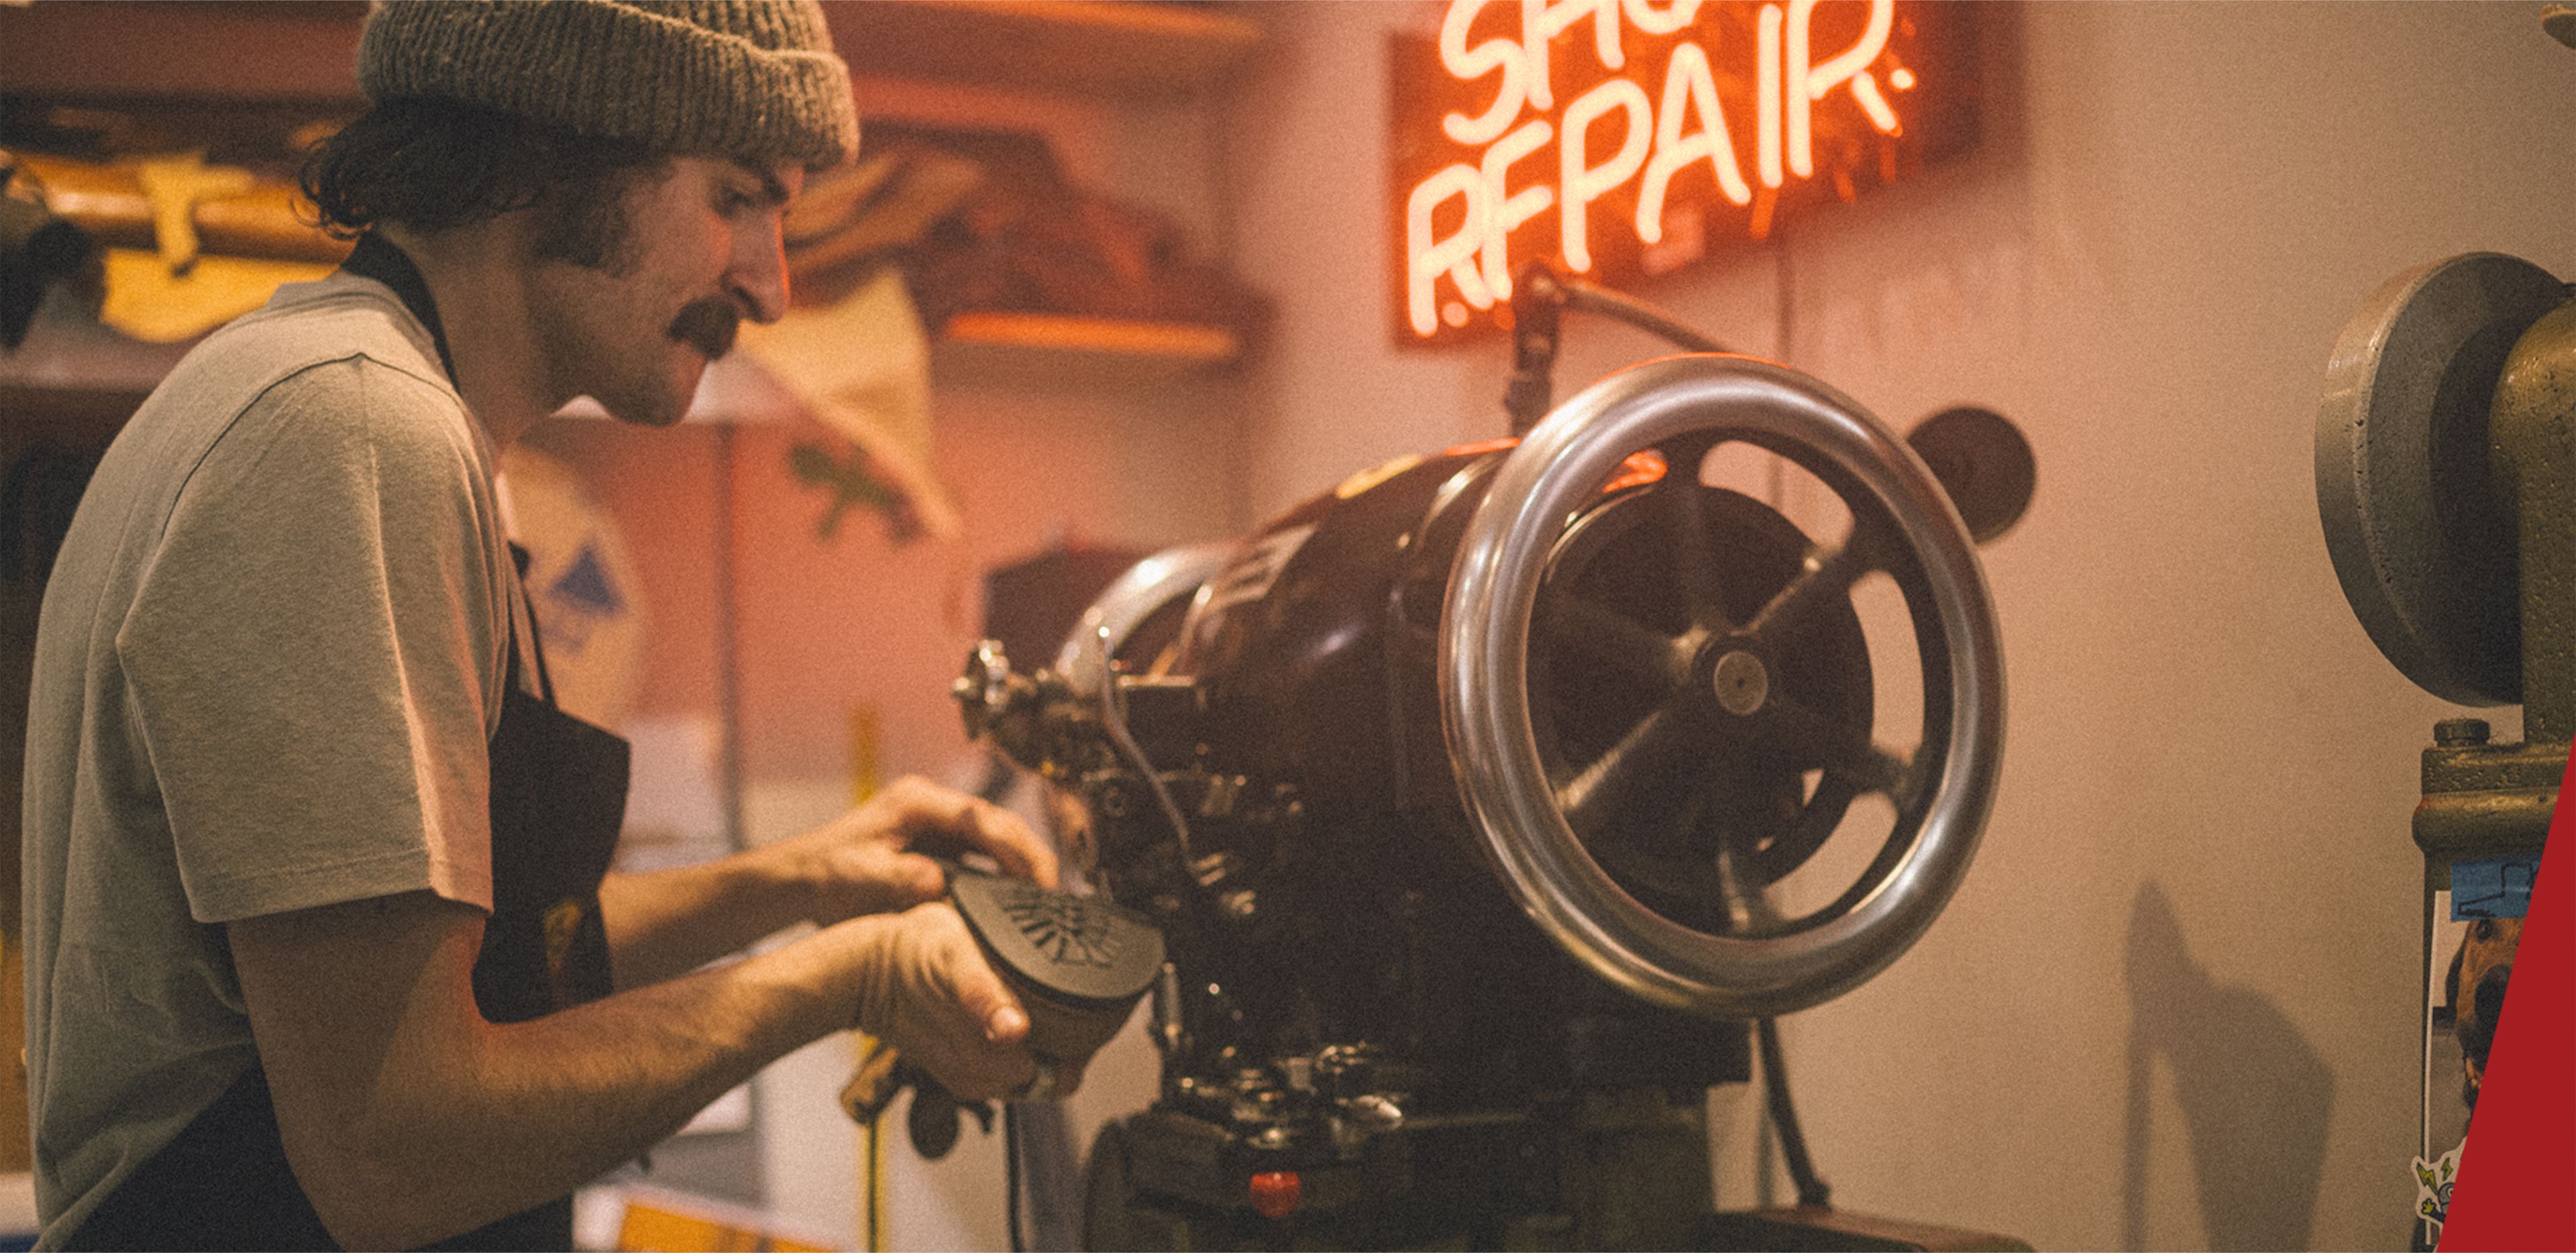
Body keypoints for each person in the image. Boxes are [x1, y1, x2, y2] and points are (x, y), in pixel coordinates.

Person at [19, 3, 1077, 1248]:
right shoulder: (352, 434)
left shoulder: (383, 413)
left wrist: (807, 880)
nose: (772, 285)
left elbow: (487, 963)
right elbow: (392, 1145)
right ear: (557, 147)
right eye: (740, 198)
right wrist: (845, 977)